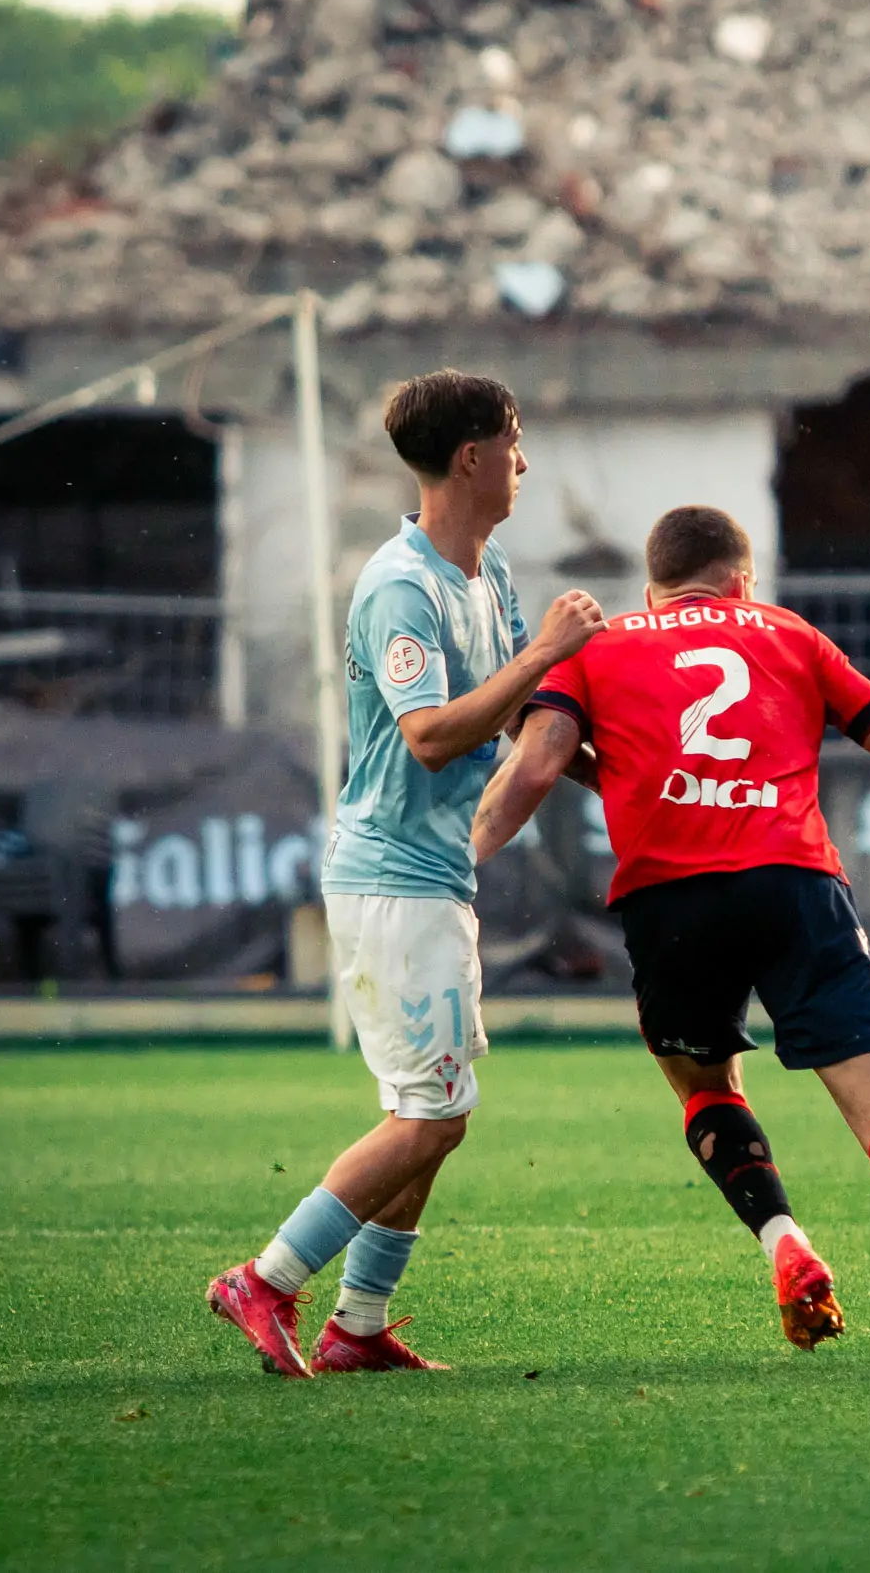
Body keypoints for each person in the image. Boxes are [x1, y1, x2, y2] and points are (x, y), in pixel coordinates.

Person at [469, 504, 870, 1377]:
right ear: (742, 579)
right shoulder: (787, 633)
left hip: (669, 902)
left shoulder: (601, 647)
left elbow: (537, 768)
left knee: (703, 1086)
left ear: (651, 585)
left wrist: (462, 858)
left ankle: (782, 1237)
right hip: (791, 884)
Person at [206, 371, 605, 1377]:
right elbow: (430, 735)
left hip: (433, 878)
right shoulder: (400, 582)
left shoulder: (485, 571)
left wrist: (635, 775)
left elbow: (518, 716)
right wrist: (547, 653)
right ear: (469, 456)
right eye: (513, 440)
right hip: (392, 881)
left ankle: (359, 1323)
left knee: (434, 1111)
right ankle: (263, 1279)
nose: (524, 459)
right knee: (432, 1113)